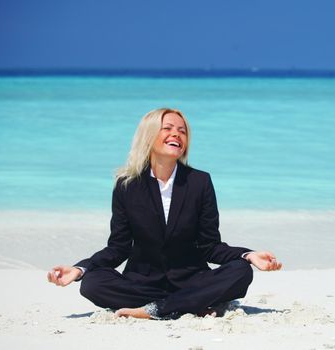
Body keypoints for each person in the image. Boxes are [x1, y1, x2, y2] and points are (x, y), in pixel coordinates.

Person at [47, 108, 282, 319]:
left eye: (182, 131)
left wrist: (248, 255)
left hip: (191, 281)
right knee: (92, 283)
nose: (176, 134)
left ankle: (156, 309)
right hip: (142, 284)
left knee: (241, 271)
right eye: (167, 128)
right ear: (148, 136)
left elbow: (210, 246)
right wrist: (79, 269)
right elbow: (118, 248)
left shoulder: (200, 182)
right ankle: (187, 306)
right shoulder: (126, 185)